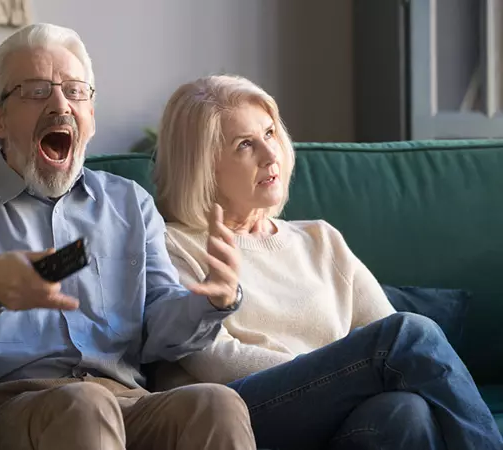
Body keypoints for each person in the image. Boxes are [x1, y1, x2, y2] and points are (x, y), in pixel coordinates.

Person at [0, 25, 256, 450]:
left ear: (91, 116)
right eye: (36, 91)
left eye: (76, 91)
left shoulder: (130, 203)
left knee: (216, 404)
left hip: (123, 401)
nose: (60, 105)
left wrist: (210, 302)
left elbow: (159, 327)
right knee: (82, 404)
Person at [152, 74, 503, 450]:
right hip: (242, 412)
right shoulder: (172, 245)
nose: (271, 155)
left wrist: (338, 376)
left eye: (270, 134)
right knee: (408, 333)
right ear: (203, 165)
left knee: (405, 412)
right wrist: (331, 373)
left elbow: (381, 329)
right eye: (245, 145)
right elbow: (215, 361)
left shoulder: (319, 238)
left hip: (335, 417)